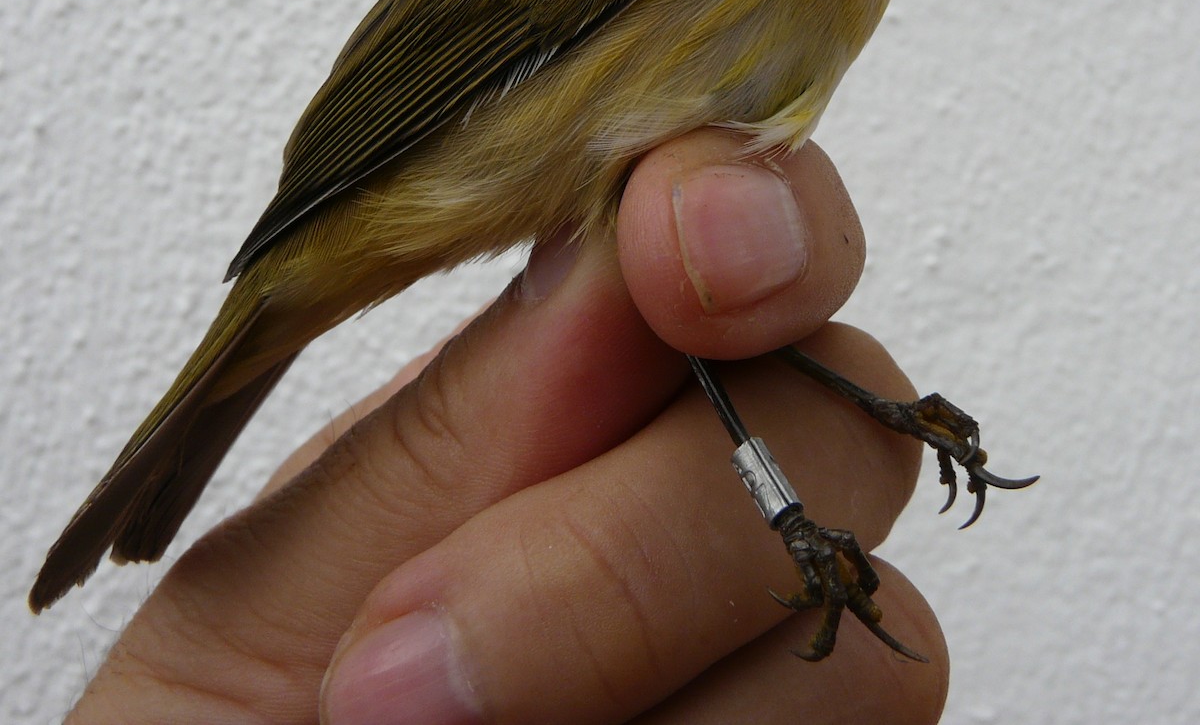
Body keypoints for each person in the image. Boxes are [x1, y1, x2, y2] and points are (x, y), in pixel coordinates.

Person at [64, 130, 947, 724]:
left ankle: (809, 487)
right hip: (430, 135)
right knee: (675, 290)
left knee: (689, 302)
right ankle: (793, 507)